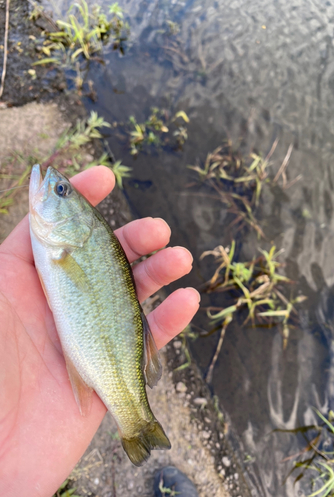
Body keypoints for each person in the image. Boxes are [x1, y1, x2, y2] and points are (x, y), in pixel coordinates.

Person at [0, 166, 200, 497]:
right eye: (63, 192)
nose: (53, 185)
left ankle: (137, 423)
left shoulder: (61, 249)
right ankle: (137, 425)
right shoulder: (59, 248)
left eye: (60, 191)